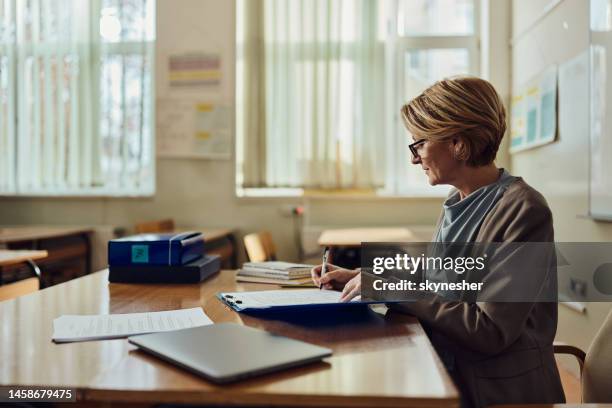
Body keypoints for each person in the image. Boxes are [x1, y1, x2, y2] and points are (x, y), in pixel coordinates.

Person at [311, 77, 565, 407]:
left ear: (458, 144)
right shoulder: (459, 199)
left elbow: (489, 331)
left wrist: (391, 289)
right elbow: (437, 276)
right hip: (447, 369)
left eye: (419, 144)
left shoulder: (525, 210)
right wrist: (361, 275)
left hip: (497, 392)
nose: (414, 159)